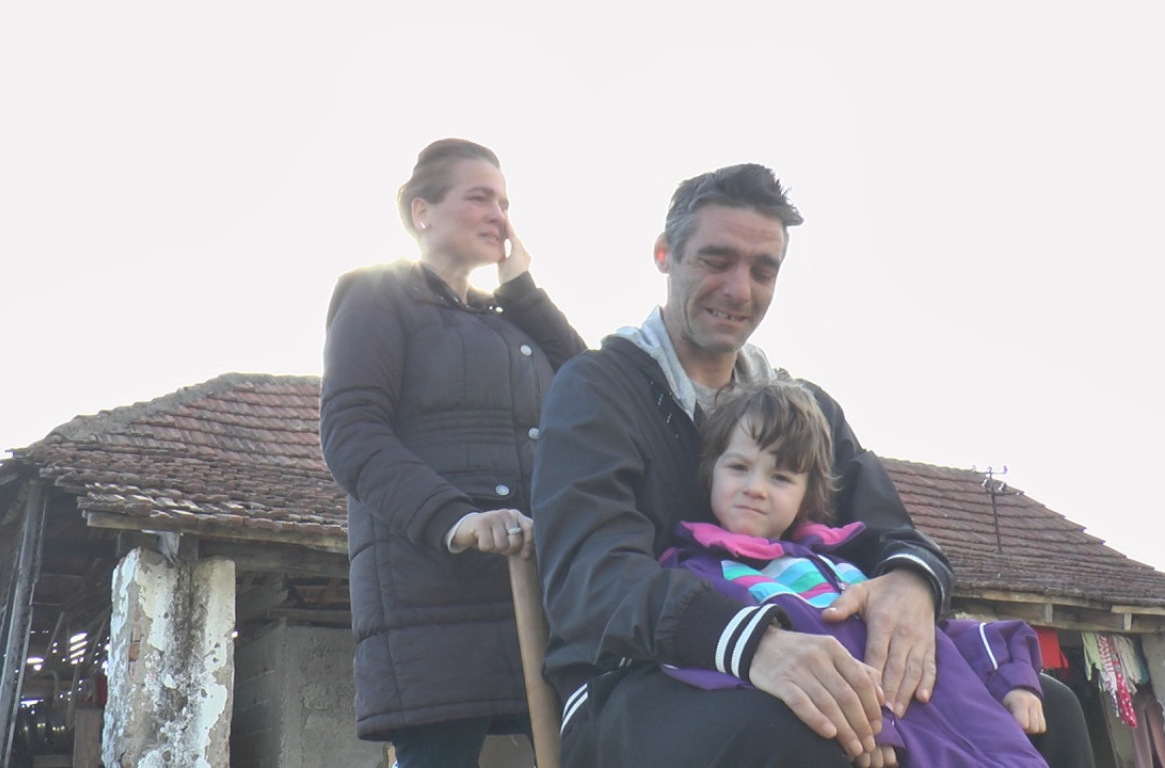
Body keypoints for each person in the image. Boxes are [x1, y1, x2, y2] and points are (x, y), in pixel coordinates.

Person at [530, 162, 1094, 768]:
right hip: (632, 683)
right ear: (665, 254)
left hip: (823, 649)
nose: (739, 290)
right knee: (807, 728)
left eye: (763, 270)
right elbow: (592, 577)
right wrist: (757, 643)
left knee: (1051, 710)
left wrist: (909, 583)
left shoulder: (805, 409)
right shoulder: (597, 390)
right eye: (717, 261)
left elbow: (889, 531)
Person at [320, 138, 586, 768]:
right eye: (480, 198)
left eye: (505, 203)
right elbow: (352, 433)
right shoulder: (375, 295)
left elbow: (592, 394)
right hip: (432, 602)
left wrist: (523, 290)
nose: (500, 216)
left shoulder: (511, 321)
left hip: (535, 595)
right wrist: (458, 519)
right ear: (422, 211)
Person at [661, 379, 1048, 767]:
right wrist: (868, 725)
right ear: (710, 472)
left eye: (780, 477)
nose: (755, 488)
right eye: (738, 467)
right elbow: (731, 670)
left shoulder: (845, 568)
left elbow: (929, 637)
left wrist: (1008, 675)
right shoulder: (703, 577)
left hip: (994, 748)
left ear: (807, 496)